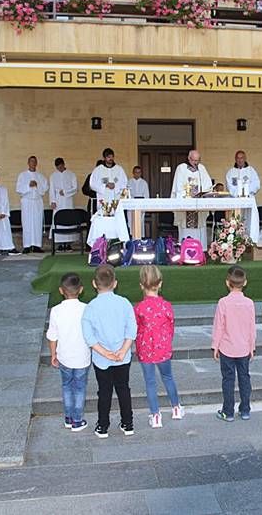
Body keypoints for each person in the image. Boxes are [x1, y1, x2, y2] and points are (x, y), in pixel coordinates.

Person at [81, 264, 137, 438]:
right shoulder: (124, 303)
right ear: (115, 283)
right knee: (123, 389)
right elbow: (132, 329)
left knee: (104, 391)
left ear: (94, 283)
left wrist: (105, 353)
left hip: (101, 359)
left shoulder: (90, 307)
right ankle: (128, 424)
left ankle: (103, 426)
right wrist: (122, 350)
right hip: (123, 356)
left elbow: (89, 337)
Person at [134, 265, 182, 429]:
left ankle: (155, 415)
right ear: (160, 283)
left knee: (150, 382)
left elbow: (137, 328)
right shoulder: (166, 306)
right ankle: (176, 408)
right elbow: (171, 326)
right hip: (163, 348)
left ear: (141, 285)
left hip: (145, 349)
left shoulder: (139, 308)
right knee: (168, 378)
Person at [212, 265, 257, 422]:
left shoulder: (223, 302)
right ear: (244, 282)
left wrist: (215, 346)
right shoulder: (249, 303)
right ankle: (245, 410)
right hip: (244, 347)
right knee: (245, 378)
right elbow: (252, 327)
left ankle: (228, 411)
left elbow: (219, 326)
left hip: (227, 347)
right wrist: (252, 347)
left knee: (228, 379)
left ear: (227, 282)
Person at [46, 273, 90, 432]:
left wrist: (53, 355)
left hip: (64, 356)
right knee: (79, 387)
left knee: (66, 386)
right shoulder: (86, 309)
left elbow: (52, 335)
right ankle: (77, 420)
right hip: (82, 356)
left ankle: (68, 417)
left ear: (60, 290)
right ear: (81, 290)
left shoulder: (56, 310)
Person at [171, 149, 213, 247]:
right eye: (194, 160)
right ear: (189, 158)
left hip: (199, 204)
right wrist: (188, 194)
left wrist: (203, 192)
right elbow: (178, 186)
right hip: (186, 204)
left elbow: (208, 184)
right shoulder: (181, 168)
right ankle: (185, 249)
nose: (196, 163)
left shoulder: (201, 168)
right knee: (185, 227)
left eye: (198, 160)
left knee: (200, 228)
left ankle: (200, 250)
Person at [225, 150, 261, 243]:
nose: (240, 160)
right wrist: (238, 194)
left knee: (249, 219)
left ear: (245, 159)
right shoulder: (231, 172)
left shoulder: (251, 171)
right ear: (235, 159)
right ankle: (236, 241)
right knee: (236, 220)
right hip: (236, 200)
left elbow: (256, 184)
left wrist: (246, 192)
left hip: (249, 199)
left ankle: (250, 240)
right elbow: (230, 186)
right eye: (238, 158)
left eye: (242, 158)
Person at [16, 155, 48, 254]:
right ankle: (27, 245)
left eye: (34, 161)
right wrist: (28, 186)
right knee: (27, 223)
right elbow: (18, 189)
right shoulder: (22, 175)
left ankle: (37, 245)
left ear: (36, 163)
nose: (33, 163)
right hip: (27, 201)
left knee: (37, 224)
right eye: (31, 161)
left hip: (37, 201)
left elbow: (45, 189)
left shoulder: (41, 176)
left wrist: (37, 186)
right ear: (28, 163)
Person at [48, 157, 78, 252]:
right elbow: (51, 190)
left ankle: (68, 244)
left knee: (68, 220)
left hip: (68, 200)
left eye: (61, 167)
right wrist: (52, 201)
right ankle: (60, 244)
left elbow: (75, 188)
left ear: (64, 165)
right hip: (58, 201)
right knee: (58, 221)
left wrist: (65, 192)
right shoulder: (53, 176)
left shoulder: (71, 174)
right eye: (58, 167)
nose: (60, 169)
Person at [0, 171, 18, 255]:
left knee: (6, 230)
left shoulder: (3, 189)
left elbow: (6, 202)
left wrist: (4, 213)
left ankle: (10, 248)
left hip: (3, 214)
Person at [127, 165, 150, 238]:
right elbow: (127, 194)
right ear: (133, 173)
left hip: (141, 206)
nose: (137, 174)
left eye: (139, 172)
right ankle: (132, 238)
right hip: (131, 206)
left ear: (141, 173)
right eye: (136, 172)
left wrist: (144, 206)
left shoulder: (144, 183)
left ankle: (139, 239)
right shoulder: (129, 182)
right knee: (131, 223)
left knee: (140, 223)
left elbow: (146, 195)